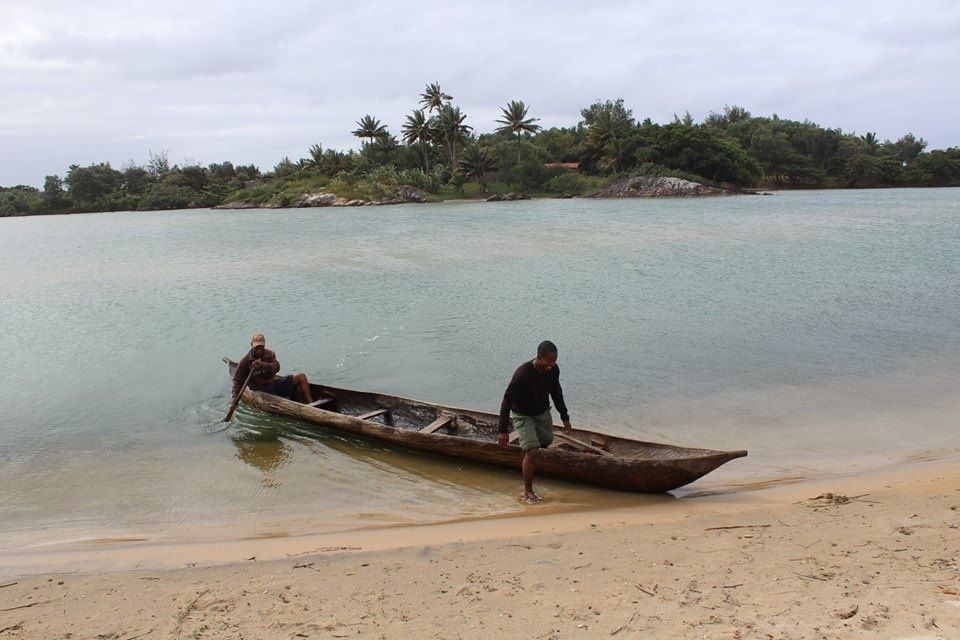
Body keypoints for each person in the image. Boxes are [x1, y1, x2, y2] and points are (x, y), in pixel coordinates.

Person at [497, 340, 572, 503]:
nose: (552, 365)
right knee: (532, 450)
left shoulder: (553, 370)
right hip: (523, 415)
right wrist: (502, 430)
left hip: (542, 412)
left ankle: (529, 461)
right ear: (539, 357)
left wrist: (564, 416)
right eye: (549, 361)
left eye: (554, 361)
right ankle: (528, 492)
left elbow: (556, 393)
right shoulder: (522, 374)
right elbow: (507, 401)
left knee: (546, 441)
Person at [232, 333, 314, 405]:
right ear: (252, 345)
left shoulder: (270, 354)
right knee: (285, 401)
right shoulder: (245, 361)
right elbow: (237, 381)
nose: (259, 349)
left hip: (273, 383)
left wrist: (263, 365)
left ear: (264, 344)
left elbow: (276, 368)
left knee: (301, 376)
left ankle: (311, 403)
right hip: (261, 390)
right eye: (257, 347)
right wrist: (234, 401)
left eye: (261, 346)